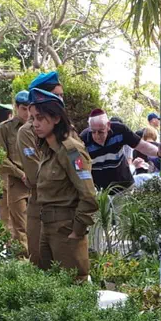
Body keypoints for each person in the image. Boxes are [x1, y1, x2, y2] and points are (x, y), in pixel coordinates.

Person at [26, 88, 97, 281]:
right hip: (46, 226)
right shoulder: (48, 151)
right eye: (33, 118)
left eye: (41, 118)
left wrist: (76, 232)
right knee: (49, 285)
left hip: (65, 228)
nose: (35, 124)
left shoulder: (71, 151)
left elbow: (89, 195)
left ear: (56, 118)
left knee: (74, 285)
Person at [17, 71, 66, 266]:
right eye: (57, 96)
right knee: (41, 264)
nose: (61, 101)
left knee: (70, 268)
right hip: (42, 207)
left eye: (62, 96)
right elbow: (36, 176)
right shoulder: (27, 132)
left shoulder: (65, 129)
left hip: (66, 210)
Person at [0, 92, 31, 249]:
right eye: (24, 109)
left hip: (36, 182)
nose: (27, 113)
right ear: (16, 107)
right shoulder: (5, 128)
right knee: (19, 228)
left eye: (30, 109)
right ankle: (23, 260)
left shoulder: (36, 127)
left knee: (37, 226)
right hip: (16, 183)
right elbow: (0, 158)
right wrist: (21, 174)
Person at [84, 109, 159, 192]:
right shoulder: (84, 139)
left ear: (108, 125)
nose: (97, 136)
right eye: (93, 132)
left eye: (101, 132)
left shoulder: (120, 130)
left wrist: (159, 152)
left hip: (124, 185)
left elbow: (142, 146)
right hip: (100, 190)